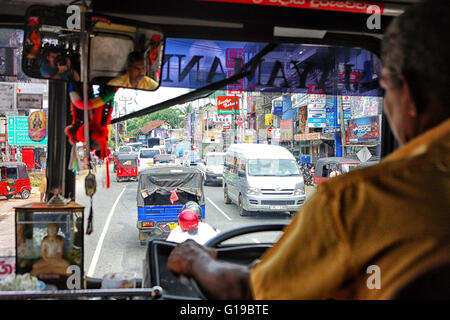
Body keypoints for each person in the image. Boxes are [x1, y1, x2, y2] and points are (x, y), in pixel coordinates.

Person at [167, 0, 450, 300]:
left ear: (412, 96)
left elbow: (249, 292)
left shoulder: (354, 201)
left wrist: (196, 261)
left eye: (386, 88)